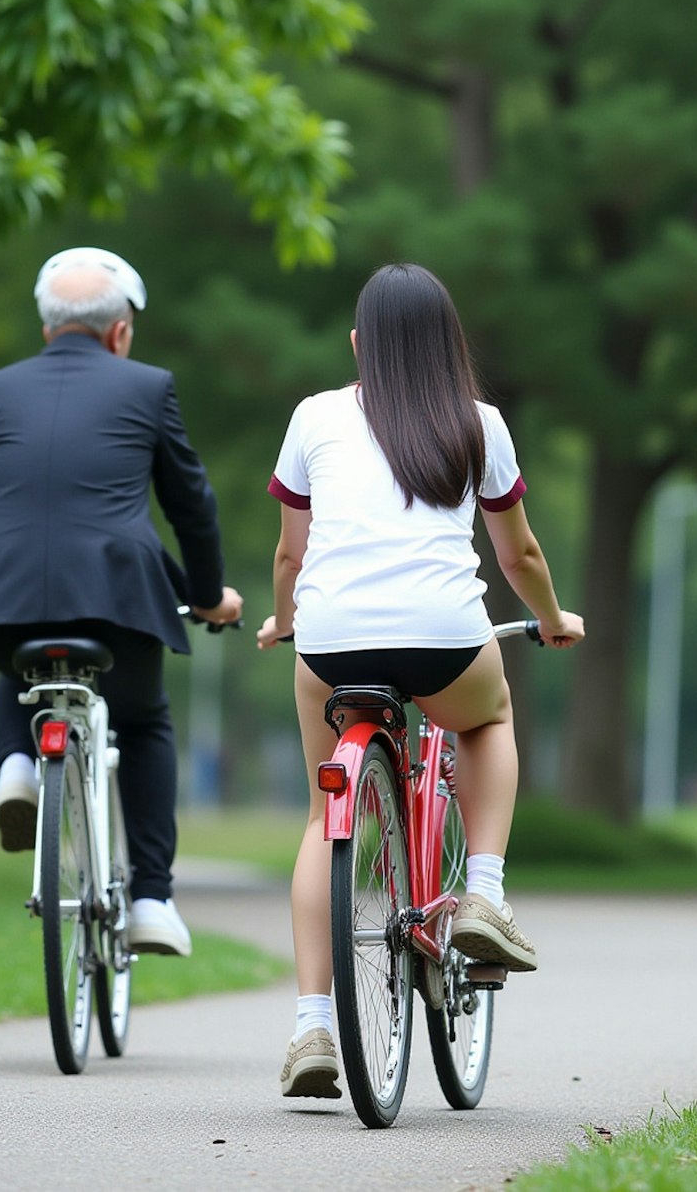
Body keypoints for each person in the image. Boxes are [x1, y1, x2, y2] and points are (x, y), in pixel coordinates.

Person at [257, 262, 584, 1099]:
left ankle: (312, 1029)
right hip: (444, 640)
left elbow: (292, 553)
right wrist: (551, 617)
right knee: (490, 715)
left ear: (359, 343)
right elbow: (520, 554)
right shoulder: (479, 423)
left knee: (316, 814)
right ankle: (482, 893)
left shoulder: (314, 416)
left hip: (331, 647)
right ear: (450, 343)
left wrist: (284, 616)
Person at [0, 246, 242, 956]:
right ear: (120, 331)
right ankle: (153, 898)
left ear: (46, 328)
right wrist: (209, 593)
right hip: (116, 605)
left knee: (18, 664)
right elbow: (193, 506)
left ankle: (16, 766)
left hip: (0, 598)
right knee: (147, 720)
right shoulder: (149, 388)